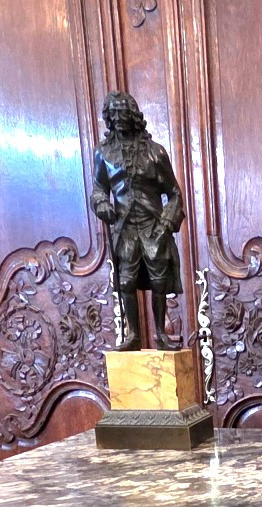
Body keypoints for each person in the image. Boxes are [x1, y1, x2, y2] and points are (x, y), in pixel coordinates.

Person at [89, 91, 185, 352]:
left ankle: (160, 334)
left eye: (123, 113)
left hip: (152, 226)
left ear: (133, 116)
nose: (119, 119)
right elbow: (98, 189)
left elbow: (174, 193)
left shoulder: (155, 153)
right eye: (114, 114)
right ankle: (133, 334)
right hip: (125, 227)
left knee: (159, 281)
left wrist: (166, 224)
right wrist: (102, 205)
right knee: (126, 281)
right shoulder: (103, 153)